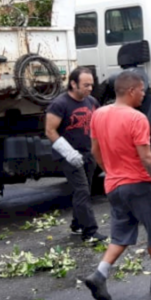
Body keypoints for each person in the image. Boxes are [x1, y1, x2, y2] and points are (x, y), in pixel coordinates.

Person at [83, 70, 151, 300]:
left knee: (121, 235)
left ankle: (99, 274)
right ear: (130, 91)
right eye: (141, 90)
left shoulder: (98, 114)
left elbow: (95, 151)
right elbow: (147, 158)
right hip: (139, 185)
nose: (143, 95)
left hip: (114, 185)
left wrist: (110, 170)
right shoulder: (136, 118)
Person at [46, 67, 105, 243]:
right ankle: (90, 232)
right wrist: (68, 153)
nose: (89, 88)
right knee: (82, 191)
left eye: (91, 85)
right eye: (85, 85)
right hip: (69, 156)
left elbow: (98, 124)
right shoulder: (60, 104)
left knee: (83, 191)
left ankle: (77, 224)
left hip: (88, 153)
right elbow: (50, 130)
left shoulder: (92, 101)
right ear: (73, 84)